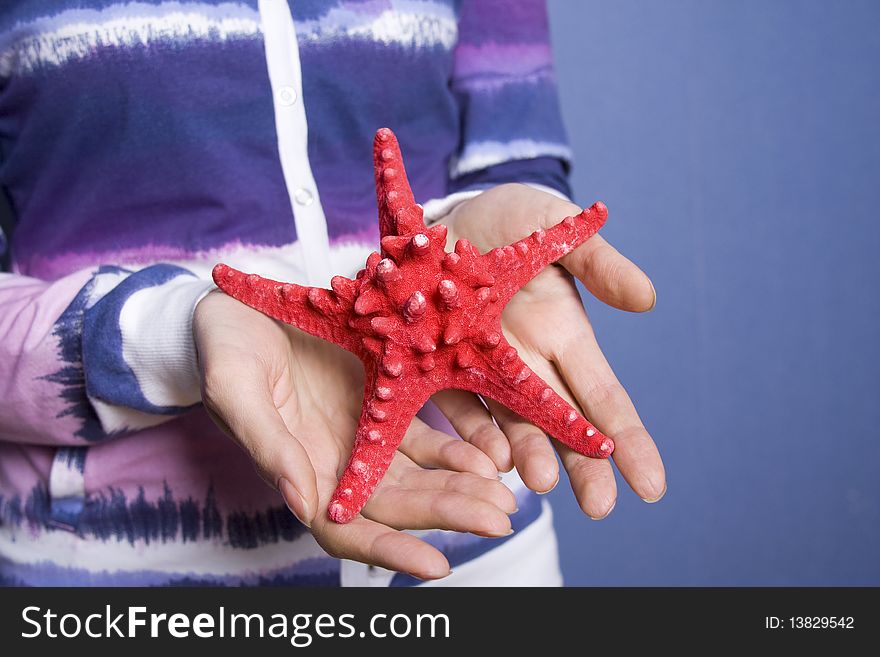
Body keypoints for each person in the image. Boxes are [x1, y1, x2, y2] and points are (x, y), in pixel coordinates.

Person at [0, 0, 665, 586]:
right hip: (113, 576)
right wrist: (171, 331)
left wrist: (526, 220)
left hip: (478, 548)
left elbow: (515, 169)